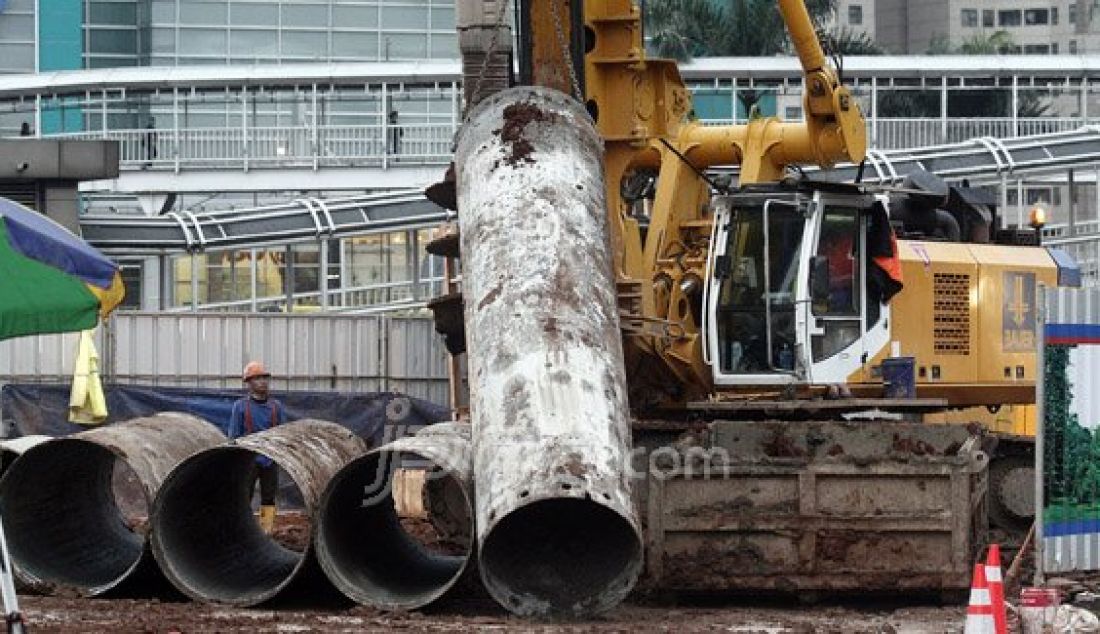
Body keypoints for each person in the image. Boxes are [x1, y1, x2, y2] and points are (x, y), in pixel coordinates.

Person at [228, 361, 286, 535]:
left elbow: (282, 433)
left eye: (264, 378)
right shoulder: (240, 407)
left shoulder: (276, 407)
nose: (262, 382)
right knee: (244, 496)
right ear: (249, 383)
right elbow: (234, 437)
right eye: (257, 378)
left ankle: (265, 531)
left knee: (269, 497)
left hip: (270, 459)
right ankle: (242, 530)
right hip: (248, 460)